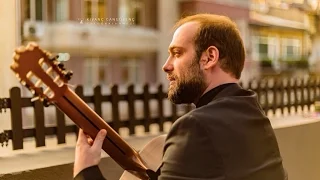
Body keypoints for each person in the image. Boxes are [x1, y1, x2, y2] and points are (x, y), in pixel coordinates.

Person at [73, 14, 288, 180]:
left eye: (177, 53)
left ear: (209, 57)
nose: (166, 65)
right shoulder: (252, 112)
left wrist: (86, 169)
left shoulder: (195, 127)